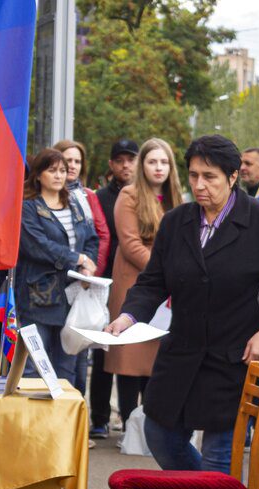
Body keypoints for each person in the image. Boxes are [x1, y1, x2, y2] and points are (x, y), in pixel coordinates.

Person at [105, 135, 259, 489]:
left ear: (233, 176)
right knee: (160, 433)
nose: (200, 185)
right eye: (194, 176)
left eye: (209, 176)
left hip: (234, 358)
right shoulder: (178, 221)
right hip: (180, 353)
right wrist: (128, 315)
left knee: (221, 456)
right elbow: (153, 281)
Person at [105, 138, 183, 426]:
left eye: (164, 162)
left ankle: (150, 423)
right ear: (143, 166)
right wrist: (168, 271)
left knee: (155, 358)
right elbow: (130, 244)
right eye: (152, 161)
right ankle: (128, 422)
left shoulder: (177, 198)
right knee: (130, 359)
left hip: (170, 289)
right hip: (136, 282)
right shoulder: (130, 195)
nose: (159, 168)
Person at [17, 148, 98, 384]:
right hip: (38, 297)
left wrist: (88, 266)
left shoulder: (74, 204)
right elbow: (37, 245)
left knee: (67, 369)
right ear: (39, 175)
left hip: (72, 296)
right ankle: (32, 421)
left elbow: (91, 238)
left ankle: (64, 419)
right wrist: (77, 259)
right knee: (35, 367)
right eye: (52, 170)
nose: (59, 176)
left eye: (62, 171)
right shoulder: (29, 206)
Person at [54, 139, 112, 397]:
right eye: (67, 160)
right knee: (56, 352)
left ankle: (78, 412)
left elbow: (101, 234)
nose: (72, 166)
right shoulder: (42, 198)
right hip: (54, 283)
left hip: (82, 282)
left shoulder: (87, 195)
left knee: (79, 351)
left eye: (77, 161)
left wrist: (91, 270)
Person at [90, 138, 139, 439]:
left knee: (133, 354)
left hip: (137, 283)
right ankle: (99, 417)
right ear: (111, 164)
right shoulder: (99, 198)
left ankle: (131, 417)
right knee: (103, 354)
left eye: (130, 159)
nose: (125, 165)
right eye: (119, 159)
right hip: (104, 284)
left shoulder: (146, 197)